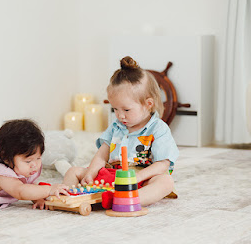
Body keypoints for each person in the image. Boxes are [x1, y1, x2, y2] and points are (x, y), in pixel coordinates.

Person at [63, 56, 179, 206]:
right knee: (73, 171)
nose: (120, 115)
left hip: (142, 179)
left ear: (148, 104)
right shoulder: (116, 127)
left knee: (165, 182)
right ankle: (70, 196)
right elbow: (101, 156)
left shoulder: (159, 129)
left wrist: (137, 177)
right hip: (113, 176)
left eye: (126, 109)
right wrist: (90, 173)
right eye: (115, 109)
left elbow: (163, 164)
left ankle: (128, 200)